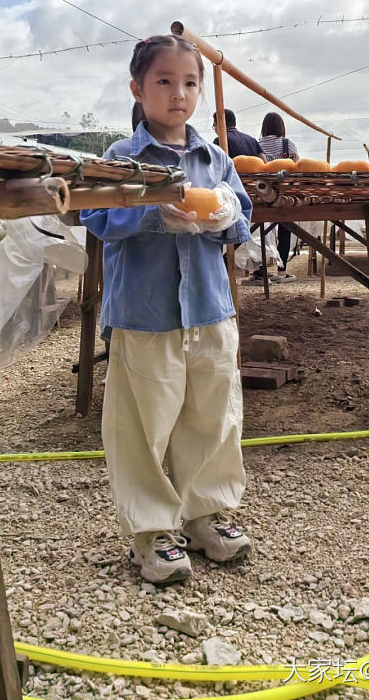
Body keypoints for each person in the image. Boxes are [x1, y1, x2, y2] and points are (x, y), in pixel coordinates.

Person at [80, 34, 253, 586]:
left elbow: (242, 222)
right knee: (142, 422)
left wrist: (224, 217)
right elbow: (96, 217)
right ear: (137, 88)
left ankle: (205, 512)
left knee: (212, 414)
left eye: (189, 83)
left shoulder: (216, 159)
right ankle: (153, 529)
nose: (178, 94)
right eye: (164, 81)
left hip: (208, 308)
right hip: (145, 313)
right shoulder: (120, 159)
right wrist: (155, 214)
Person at [259, 112, 298, 283]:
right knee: (285, 230)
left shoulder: (256, 144)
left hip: (261, 195)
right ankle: (282, 272)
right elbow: (297, 166)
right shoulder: (287, 144)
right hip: (283, 195)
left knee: (260, 232)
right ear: (281, 127)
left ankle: (260, 270)